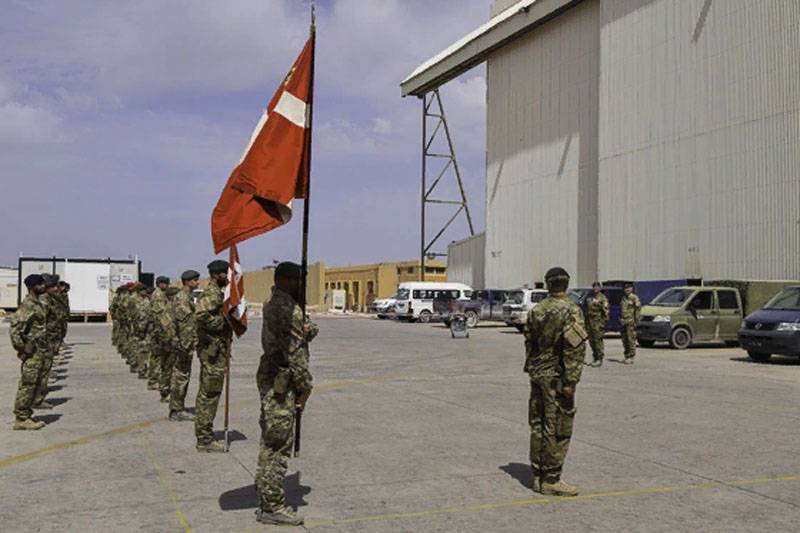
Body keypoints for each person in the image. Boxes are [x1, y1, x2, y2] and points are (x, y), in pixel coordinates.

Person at [255, 261, 317, 526]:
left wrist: (306, 328)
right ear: (289, 281)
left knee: (270, 441)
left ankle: (267, 494)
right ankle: (272, 506)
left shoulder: (275, 302)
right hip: (282, 385)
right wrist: (306, 387)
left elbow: (304, 332)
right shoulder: (287, 308)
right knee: (277, 445)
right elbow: (297, 355)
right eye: (298, 281)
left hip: (271, 377)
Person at [523, 267, 586, 496]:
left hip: (538, 374)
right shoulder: (571, 310)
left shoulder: (537, 310)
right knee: (558, 425)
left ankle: (538, 475)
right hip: (557, 377)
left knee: (538, 423)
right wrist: (571, 380)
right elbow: (574, 348)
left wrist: (533, 368)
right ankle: (551, 478)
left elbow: (529, 342)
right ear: (566, 285)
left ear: (548, 285)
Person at [194, 260, 233, 453]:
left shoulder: (218, 293)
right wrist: (222, 323)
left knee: (209, 393)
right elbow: (200, 316)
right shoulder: (211, 294)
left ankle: (204, 434)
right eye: (225, 273)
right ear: (217, 275)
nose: (228, 277)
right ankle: (204, 439)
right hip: (212, 351)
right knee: (209, 394)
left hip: (216, 351)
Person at [9, 274, 49, 430]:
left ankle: (26, 414)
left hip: (39, 351)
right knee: (28, 384)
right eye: (40, 284)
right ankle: (21, 418)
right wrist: (22, 349)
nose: (43, 287)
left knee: (34, 384)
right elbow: (15, 330)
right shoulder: (28, 305)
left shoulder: (37, 303)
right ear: (33, 287)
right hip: (32, 353)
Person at [169, 270, 199, 422]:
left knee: (182, 377)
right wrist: (186, 346)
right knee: (180, 377)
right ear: (187, 282)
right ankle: (176, 410)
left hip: (184, 344)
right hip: (183, 345)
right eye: (195, 280)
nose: (197, 282)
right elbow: (185, 325)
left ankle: (178, 407)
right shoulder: (182, 299)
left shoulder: (186, 297)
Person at [33, 274, 61, 409]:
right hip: (44, 340)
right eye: (54, 286)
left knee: (45, 369)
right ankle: (36, 400)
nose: (57, 288)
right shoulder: (44, 301)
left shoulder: (49, 299)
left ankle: (38, 399)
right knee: (42, 370)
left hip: (48, 338)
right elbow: (40, 323)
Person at [147, 276, 171, 391]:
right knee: (156, 357)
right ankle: (153, 381)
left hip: (158, 331)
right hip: (157, 332)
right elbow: (160, 316)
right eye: (164, 283)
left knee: (159, 357)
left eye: (167, 283)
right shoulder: (158, 296)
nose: (167, 285)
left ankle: (156, 380)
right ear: (159, 284)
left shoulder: (162, 295)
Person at [159, 287, 180, 403]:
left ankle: (170, 391)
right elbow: (166, 330)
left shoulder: (173, 308)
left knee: (172, 369)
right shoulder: (167, 310)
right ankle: (165, 392)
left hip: (173, 343)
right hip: (169, 344)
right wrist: (168, 343)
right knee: (167, 369)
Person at [132, 284, 154, 379]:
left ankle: (146, 369)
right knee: (141, 351)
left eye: (145, 290)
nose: (144, 292)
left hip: (149, 330)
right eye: (142, 290)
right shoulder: (135, 302)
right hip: (140, 329)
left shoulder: (148, 301)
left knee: (147, 351)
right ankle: (141, 369)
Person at [586, 281, 609, 367]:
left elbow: (606, 312)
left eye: (597, 286)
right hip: (590, 322)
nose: (595, 288)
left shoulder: (603, 298)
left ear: (600, 288)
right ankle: (595, 358)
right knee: (592, 341)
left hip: (598, 322)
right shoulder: (590, 297)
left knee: (598, 341)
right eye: (594, 286)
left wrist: (603, 323)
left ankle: (599, 359)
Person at [619, 282, 641, 365]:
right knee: (624, 340)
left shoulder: (634, 298)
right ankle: (626, 356)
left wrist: (636, 321)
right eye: (625, 288)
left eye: (628, 288)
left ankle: (631, 356)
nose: (627, 290)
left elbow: (638, 311)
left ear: (631, 289)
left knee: (631, 339)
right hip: (623, 322)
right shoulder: (623, 298)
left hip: (631, 322)